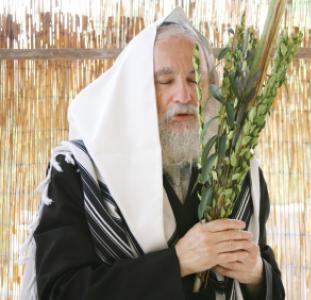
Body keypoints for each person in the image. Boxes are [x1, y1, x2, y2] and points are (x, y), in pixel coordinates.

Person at [20, 8, 284, 300]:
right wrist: (177, 263)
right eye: (166, 81)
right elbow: (59, 291)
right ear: (139, 91)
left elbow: (268, 278)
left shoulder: (240, 170)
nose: (185, 96)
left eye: (195, 80)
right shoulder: (80, 172)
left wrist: (256, 275)